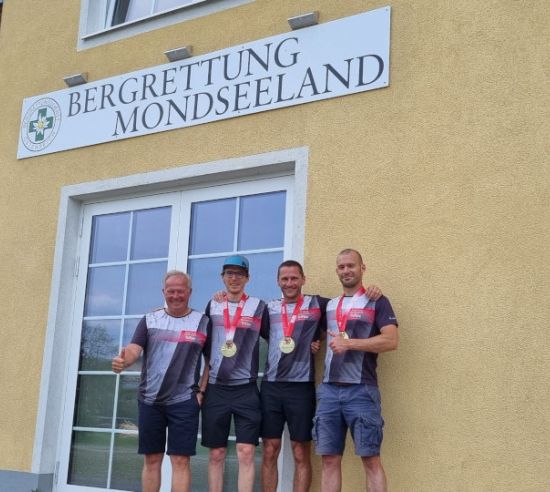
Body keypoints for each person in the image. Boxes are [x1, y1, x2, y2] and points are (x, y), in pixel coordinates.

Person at [111, 270, 209, 492]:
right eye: (171, 291)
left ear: (190, 292)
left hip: (185, 401)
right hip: (150, 401)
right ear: (164, 292)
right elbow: (134, 349)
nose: (175, 296)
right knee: (152, 459)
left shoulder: (203, 322)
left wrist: (201, 392)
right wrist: (123, 361)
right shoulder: (150, 320)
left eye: (180, 291)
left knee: (181, 461)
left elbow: (211, 361)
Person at [314, 249, 398, 492]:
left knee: (371, 460)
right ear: (337, 271)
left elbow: (391, 341)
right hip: (329, 392)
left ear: (363, 268)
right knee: (329, 459)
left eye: (351, 265)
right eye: (341, 267)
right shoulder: (329, 305)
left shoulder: (377, 301)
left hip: (362, 391)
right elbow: (304, 317)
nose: (346, 270)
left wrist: (349, 344)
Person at [201, 254, 269, 492]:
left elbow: (278, 336)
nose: (234, 278)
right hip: (216, 388)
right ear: (222, 277)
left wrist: (313, 341)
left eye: (240, 274)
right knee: (216, 453)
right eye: (230, 273)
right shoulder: (213, 305)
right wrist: (201, 387)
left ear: (247, 278)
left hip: (246, 389)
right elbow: (204, 347)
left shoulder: (259, 307)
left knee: (246, 451)